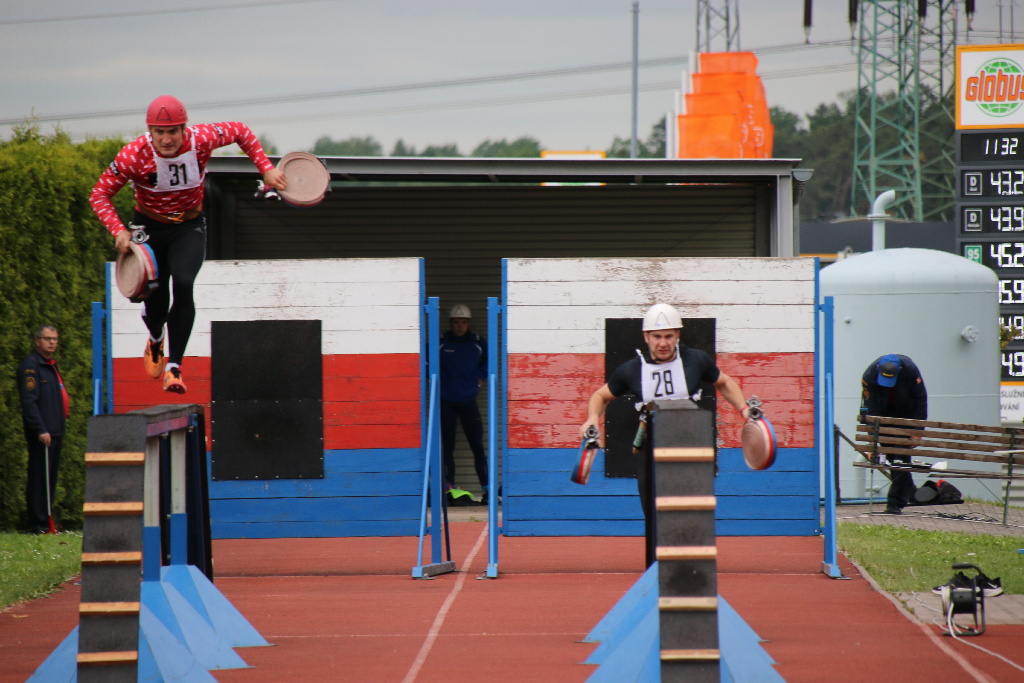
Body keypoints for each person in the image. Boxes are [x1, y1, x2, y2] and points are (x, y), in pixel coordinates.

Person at [90, 95, 287, 394]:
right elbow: (99, 194)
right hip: (149, 229)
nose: (167, 140)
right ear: (150, 131)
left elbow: (242, 131)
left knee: (183, 282)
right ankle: (155, 336)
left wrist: (266, 168)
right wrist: (118, 230)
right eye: (160, 132)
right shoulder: (133, 155)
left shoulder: (203, 139)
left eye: (173, 132)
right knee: (155, 299)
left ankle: (174, 368)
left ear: (185, 128)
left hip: (188, 226)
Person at [580, 303, 750, 566]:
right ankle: (658, 569)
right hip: (650, 448)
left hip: (689, 445)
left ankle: (690, 568)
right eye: (657, 336)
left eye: (668, 336)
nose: (663, 343)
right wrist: (593, 417)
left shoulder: (696, 360)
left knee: (691, 511)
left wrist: (744, 410)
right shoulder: (630, 369)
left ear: (678, 336)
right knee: (653, 513)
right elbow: (600, 396)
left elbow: (725, 382)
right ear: (646, 337)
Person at [18, 325, 70, 534]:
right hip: (43, 433)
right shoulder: (31, 367)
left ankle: (47, 519)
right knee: (40, 477)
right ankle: (38, 523)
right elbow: (29, 402)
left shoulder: (49, 365)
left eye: (55, 339)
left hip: (55, 430)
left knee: (50, 479)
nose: (52, 343)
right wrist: (40, 429)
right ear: (37, 341)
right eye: (48, 339)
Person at [859, 353, 927, 515]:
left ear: (899, 370)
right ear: (878, 369)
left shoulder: (910, 370)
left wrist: (917, 431)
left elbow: (920, 400)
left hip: (905, 415)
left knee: (900, 459)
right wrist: (872, 443)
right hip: (883, 415)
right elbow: (870, 409)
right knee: (893, 457)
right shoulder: (869, 375)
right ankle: (911, 492)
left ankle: (895, 503)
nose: (888, 385)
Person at [439, 304, 490, 504]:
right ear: (450, 323)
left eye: (463, 322)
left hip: (469, 400)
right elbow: (426, 363)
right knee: (447, 447)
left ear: (469, 323)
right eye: (456, 322)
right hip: (446, 401)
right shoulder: (441, 341)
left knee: (477, 446)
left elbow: (488, 362)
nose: (460, 327)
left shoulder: (477, 342)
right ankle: (448, 490)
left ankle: (487, 491)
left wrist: (481, 379)